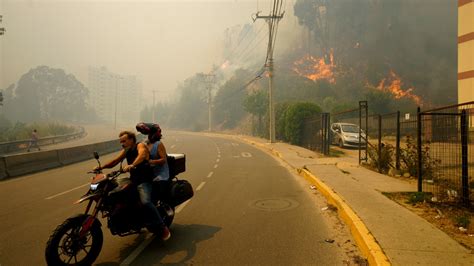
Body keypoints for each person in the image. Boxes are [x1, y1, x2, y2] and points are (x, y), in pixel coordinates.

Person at [93, 130, 171, 240]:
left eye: (124, 141)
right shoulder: (126, 150)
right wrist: (101, 168)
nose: (122, 143)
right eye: (121, 141)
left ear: (131, 139)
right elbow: (115, 161)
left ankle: (162, 227)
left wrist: (132, 165)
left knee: (146, 202)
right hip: (133, 180)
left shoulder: (140, 146)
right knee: (114, 193)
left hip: (144, 181)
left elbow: (142, 155)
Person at [135, 123, 170, 201]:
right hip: (150, 173)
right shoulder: (145, 144)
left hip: (161, 174)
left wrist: (151, 162)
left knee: (153, 197)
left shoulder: (159, 144)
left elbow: (163, 160)